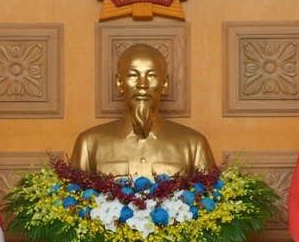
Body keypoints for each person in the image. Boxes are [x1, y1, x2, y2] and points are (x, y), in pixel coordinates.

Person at [70, 43, 216, 179]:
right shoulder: (89, 144)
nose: (142, 85)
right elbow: (74, 201)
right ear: (119, 83)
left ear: (164, 84)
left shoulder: (194, 145)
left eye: (151, 75)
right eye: (133, 75)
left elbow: (208, 201)